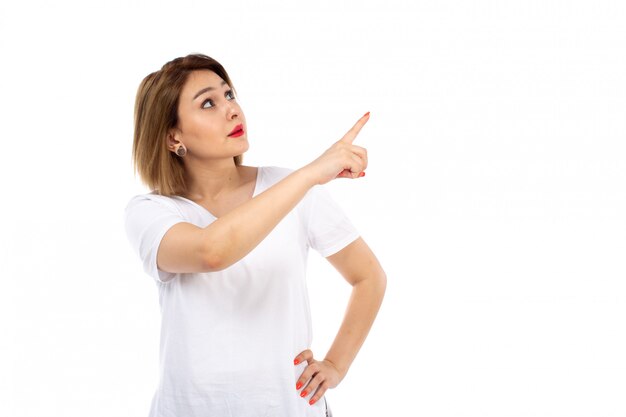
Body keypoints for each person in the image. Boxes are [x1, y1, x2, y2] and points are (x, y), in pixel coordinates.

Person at [124, 53, 386, 417]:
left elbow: (369, 276)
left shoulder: (289, 187)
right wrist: (310, 173)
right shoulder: (152, 212)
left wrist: (336, 365)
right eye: (208, 103)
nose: (232, 111)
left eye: (229, 95)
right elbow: (211, 252)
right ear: (173, 137)